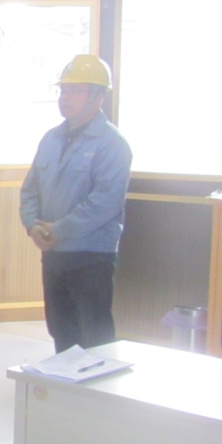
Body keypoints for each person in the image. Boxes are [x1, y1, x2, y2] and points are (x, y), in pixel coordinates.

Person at [20, 55, 132, 355]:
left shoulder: (112, 144)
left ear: (98, 96)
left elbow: (104, 203)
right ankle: (65, 383)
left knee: (94, 336)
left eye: (75, 90)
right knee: (61, 330)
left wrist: (58, 229)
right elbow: (30, 189)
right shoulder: (51, 139)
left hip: (91, 256)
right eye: (63, 90)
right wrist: (32, 226)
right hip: (53, 255)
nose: (65, 98)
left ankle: (98, 386)